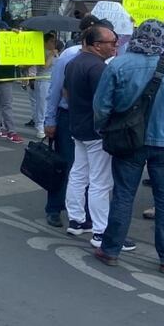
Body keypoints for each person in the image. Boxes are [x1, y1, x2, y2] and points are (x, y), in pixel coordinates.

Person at [94, 20, 164, 273]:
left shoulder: (118, 65)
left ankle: (110, 250)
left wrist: (105, 129)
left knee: (123, 195)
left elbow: (101, 107)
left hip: (128, 141)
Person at [64, 25, 122, 248]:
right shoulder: (98, 68)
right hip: (96, 130)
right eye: (112, 43)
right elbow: (104, 102)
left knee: (79, 173)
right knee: (100, 181)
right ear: (97, 45)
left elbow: (66, 93)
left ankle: (76, 220)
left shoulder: (73, 63)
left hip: (78, 126)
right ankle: (100, 231)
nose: (115, 47)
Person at [43, 16, 102, 228]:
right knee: (64, 164)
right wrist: (49, 120)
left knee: (87, 169)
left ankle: (81, 212)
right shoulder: (69, 55)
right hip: (68, 116)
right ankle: (54, 207)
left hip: (92, 120)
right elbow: (56, 89)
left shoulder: (105, 59)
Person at [0, 22, 23, 144]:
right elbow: (1, 48)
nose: (7, 32)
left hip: (0, 76)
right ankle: (11, 131)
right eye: (5, 30)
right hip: (3, 77)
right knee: (7, 104)